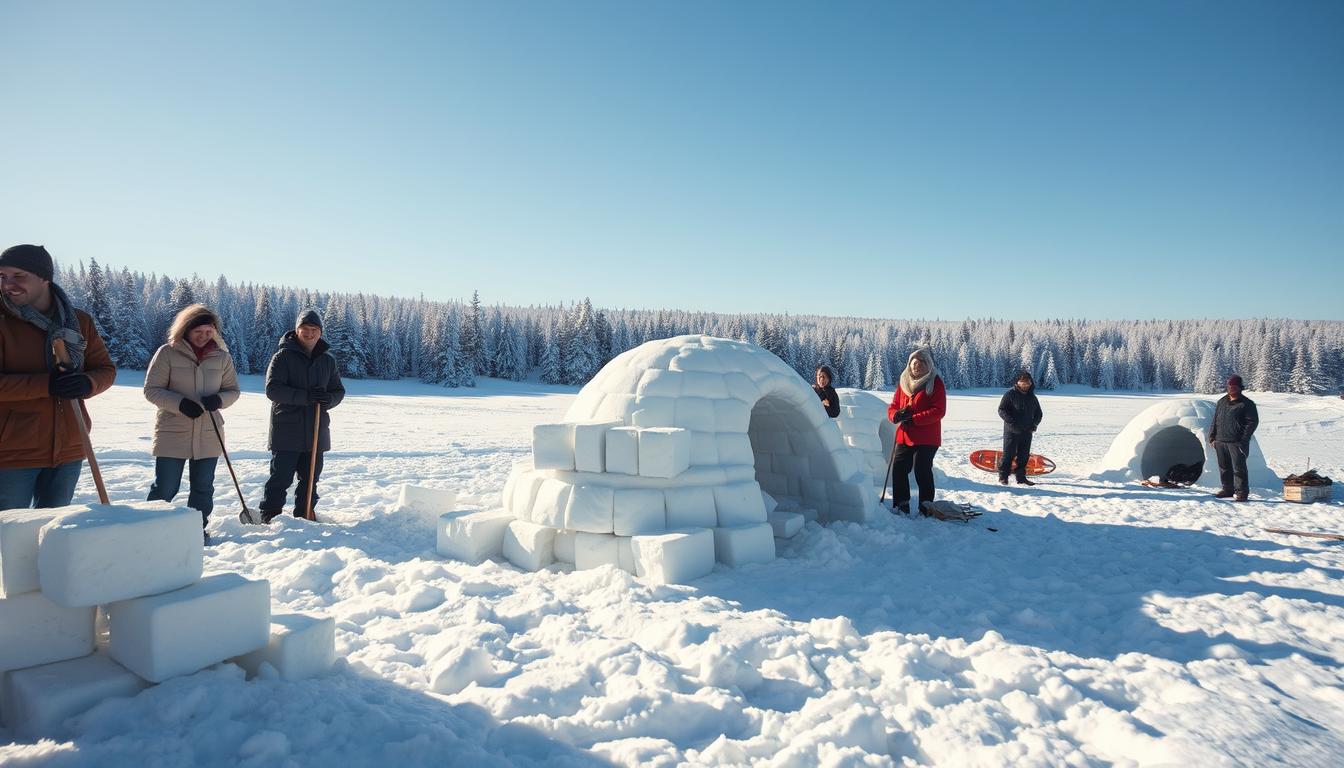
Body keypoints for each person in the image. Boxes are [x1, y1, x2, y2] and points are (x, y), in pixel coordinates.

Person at [0, 245, 117, 511]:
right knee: (7, 538)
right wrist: (46, 385)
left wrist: (87, 383)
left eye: (18, 276)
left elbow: (105, 370)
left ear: (44, 278)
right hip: (12, 450)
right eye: (2, 276)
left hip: (70, 447)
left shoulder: (78, 321)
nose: (8, 284)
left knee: (53, 532)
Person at [142, 304, 240, 542]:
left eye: (209, 331)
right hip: (172, 431)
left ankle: (196, 530)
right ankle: (150, 530)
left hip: (209, 432)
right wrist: (181, 404)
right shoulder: (167, 352)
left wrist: (219, 399)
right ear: (186, 329)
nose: (204, 336)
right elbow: (152, 390)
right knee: (166, 487)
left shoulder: (222, 357)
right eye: (199, 331)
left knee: (203, 487)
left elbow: (233, 391)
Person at [254, 309, 344, 523]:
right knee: (280, 478)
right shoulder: (282, 356)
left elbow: (338, 391)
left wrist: (327, 400)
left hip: (317, 429)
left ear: (320, 333)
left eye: (314, 329)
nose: (310, 333)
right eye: (305, 329)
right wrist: (306, 397)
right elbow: (273, 390)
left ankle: (305, 515)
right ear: (297, 330)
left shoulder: (327, 361)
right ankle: (270, 516)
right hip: (287, 430)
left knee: (310, 478)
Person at [886, 347, 946, 514]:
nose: (916, 366)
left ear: (928, 365)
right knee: (899, 468)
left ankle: (926, 506)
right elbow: (893, 405)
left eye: (921, 363)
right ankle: (901, 504)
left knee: (922, 469)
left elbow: (938, 410)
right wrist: (895, 415)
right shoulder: (904, 381)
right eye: (914, 363)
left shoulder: (935, 382)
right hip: (905, 435)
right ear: (909, 365)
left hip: (927, 437)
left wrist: (914, 418)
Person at [1207, 374, 1258, 502]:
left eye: (1234, 387)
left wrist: (1243, 439)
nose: (1231, 389)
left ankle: (1241, 492)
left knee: (1238, 468)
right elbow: (1216, 419)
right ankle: (1227, 489)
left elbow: (1252, 422)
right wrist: (1212, 436)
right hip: (1220, 440)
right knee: (1224, 467)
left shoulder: (1247, 404)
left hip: (1236, 442)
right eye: (1229, 386)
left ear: (1240, 388)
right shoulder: (1221, 402)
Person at [996, 371, 1043, 486]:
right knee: (1008, 454)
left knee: (1023, 456)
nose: (1025, 384)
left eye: (1027, 382)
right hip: (1011, 431)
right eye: (1022, 382)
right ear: (1017, 382)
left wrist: (1034, 425)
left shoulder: (1033, 397)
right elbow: (1002, 410)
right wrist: (1012, 424)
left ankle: (1021, 478)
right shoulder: (1010, 394)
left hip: (1027, 431)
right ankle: (1003, 477)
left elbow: (1039, 414)